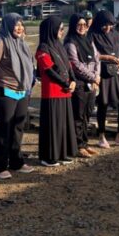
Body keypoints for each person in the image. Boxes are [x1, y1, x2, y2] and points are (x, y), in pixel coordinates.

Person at [0, 13, 36, 177]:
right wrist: (3, 81)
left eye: (21, 25)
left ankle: (16, 162)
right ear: (8, 26)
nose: (20, 28)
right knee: (4, 128)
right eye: (16, 25)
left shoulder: (22, 44)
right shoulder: (0, 43)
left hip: (22, 92)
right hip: (5, 91)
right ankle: (0, 166)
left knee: (18, 128)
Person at [35, 16, 78, 166]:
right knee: (53, 125)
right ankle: (49, 156)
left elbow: (69, 66)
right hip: (52, 92)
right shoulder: (43, 48)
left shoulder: (59, 46)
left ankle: (62, 153)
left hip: (65, 91)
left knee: (64, 124)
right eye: (60, 29)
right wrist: (66, 82)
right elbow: (49, 70)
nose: (62, 31)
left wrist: (73, 81)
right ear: (52, 29)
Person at [89, 11, 119, 147]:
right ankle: (101, 136)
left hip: (117, 72)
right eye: (105, 25)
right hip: (102, 72)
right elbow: (90, 54)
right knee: (103, 104)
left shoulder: (116, 34)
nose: (107, 28)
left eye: (110, 25)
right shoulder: (92, 35)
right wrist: (105, 57)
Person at [64, 13, 100, 158]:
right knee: (78, 116)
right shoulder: (70, 42)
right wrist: (92, 77)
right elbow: (76, 64)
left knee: (87, 115)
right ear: (73, 25)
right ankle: (78, 145)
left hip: (91, 83)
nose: (82, 28)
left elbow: (97, 58)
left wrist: (97, 76)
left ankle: (85, 142)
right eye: (79, 25)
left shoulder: (89, 40)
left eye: (85, 25)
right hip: (79, 83)